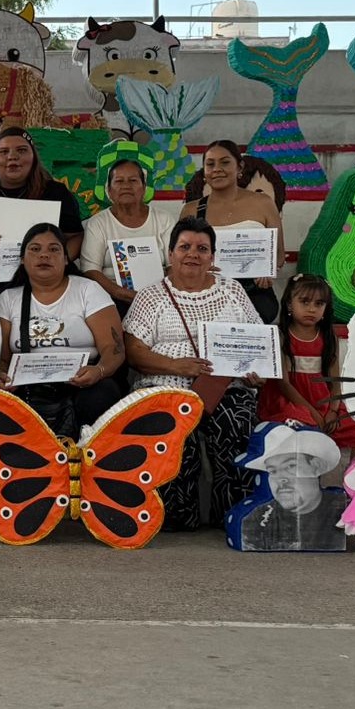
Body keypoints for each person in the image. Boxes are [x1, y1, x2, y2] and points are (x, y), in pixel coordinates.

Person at [123, 216, 265, 531]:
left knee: (237, 420)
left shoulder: (232, 291)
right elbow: (133, 352)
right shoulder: (151, 296)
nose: (193, 254)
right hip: (164, 387)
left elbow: (258, 342)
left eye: (202, 248)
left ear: (212, 256)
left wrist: (256, 370)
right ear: (170, 253)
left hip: (225, 387)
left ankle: (231, 512)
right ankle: (177, 515)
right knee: (170, 428)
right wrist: (176, 366)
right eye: (184, 247)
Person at [0, 223, 125, 436]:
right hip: (30, 387)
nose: (44, 255)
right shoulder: (8, 299)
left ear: (65, 259)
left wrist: (99, 371)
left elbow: (114, 348)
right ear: (22, 259)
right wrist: (0, 374)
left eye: (54, 249)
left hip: (83, 382)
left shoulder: (88, 290)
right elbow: (3, 359)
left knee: (102, 395)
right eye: (35, 249)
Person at [0, 127, 84, 291]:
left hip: (49, 282)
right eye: (4, 151)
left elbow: (76, 236)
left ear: (33, 157)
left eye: (21, 150)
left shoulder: (56, 192)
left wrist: (59, 261)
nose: (12, 157)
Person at [258, 274, 355, 449]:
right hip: (291, 401)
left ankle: (354, 466)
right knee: (300, 427)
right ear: (289, 304)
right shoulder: (281, 336)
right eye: (305, 302)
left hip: (322, 400)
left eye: (319, 304)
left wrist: (333, 411)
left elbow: (335, 381)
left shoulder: (328, 337)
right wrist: (315, 415)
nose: (311, 309)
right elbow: (284, 384)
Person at [179, 140, 285, 323]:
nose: (217, 169)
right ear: (204, 171)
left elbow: (279, 255)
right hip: (205, 294)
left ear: (239, 167)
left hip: (255, 294)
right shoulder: (191, 210)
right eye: (210, 164)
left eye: (225, 162)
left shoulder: (263, 203)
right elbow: (180, 256)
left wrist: (267, 271)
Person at [80, 152, 177, 314]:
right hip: (112, 300)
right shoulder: (98, 223)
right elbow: (91, 270)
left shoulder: (164, 219)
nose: (126, 186)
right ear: (109, 190)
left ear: (144, 188)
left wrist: (163, 294)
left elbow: (173, 264)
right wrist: (123, 294)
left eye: (133, 180)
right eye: (119, 181)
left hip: (161, 299)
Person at [237, 423, 347, 551]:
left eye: (291, 466)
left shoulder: (338, 508)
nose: (281, 478)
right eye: (272, 471)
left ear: (316, 466)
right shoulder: (257, 520)